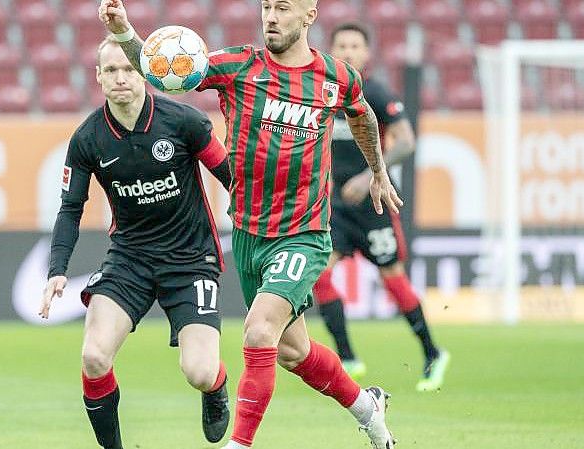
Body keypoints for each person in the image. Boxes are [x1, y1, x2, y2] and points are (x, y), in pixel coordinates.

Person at [100, 1, 402, 448]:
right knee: (290, 350)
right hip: (248, 233)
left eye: (282, 8)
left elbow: (361, 113)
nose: (271, 17)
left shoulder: (335, 76)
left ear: (309, 15)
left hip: (304, 232)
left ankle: (239, 444)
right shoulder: (240, 65)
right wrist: (125, 31)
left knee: (259, 329)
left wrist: (377, 168)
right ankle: (366, 407)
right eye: (266, 7)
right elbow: (162, 66)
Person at [38, 35, 233, 448]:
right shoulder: (87, 139)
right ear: (98, 77)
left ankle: (216, 388)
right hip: (130, 258)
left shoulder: (184, 122)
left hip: (190, 258)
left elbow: (231, 176)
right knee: (93, 357)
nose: (120, 78)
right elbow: (70, 209)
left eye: (128, 69)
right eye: (111, 70)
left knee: (199, 372)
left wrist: (260, 221)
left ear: (144, 73)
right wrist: (57, 269)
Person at [314, 23, 450, 391]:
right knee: (318, 274)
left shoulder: (374, 93)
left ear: (366, 53)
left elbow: (406, 141)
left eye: (355, 45)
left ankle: (433, 353)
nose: (347, 51)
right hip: (336, 207)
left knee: (392, 278)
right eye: (340, 44)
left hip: (373, 204)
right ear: (330, 49)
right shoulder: (323, 94)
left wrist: (372, 173)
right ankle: (346, 355)